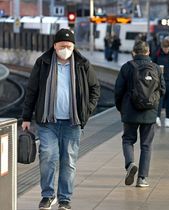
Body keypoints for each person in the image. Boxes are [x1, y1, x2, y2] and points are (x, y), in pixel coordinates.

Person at [21, 28, 101, 210]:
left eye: (69, 45)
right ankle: (47, 196)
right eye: (62, 45)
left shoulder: (82, 63)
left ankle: (64, 199)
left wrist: (85, 112)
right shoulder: (43, 62)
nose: (65, 48)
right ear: (54, 45)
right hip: (47, 122)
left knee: (69, 161)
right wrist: (26, 117)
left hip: (72, 123)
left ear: (73, 46)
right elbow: (32, 90)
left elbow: (95, 88)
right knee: (48, 157)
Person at [114, 40, 165, 188]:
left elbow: (118, 90)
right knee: (146, 145)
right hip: (149, 113)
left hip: (130, 111)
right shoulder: (156, 68)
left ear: (133, 52)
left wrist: (121, 108)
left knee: (128, 140)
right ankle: (142, 178)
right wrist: (153, 101)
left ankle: (130, 164)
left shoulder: (126, 68)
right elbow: (163, 89)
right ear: (148, 52)